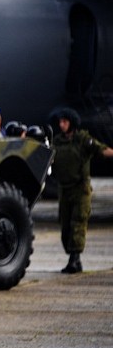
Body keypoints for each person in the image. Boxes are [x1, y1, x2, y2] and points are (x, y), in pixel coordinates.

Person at [49, 107, 113, 273]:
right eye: (60, 122)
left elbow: (101, 150)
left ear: (72, 123)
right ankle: (72, 257)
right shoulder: (57, 141)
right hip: (64, 188)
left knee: (78, 223)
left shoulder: (83, 139)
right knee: (65, 226)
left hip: (80, 188)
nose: (62, 125)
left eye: (65, 121)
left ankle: (75, 259)